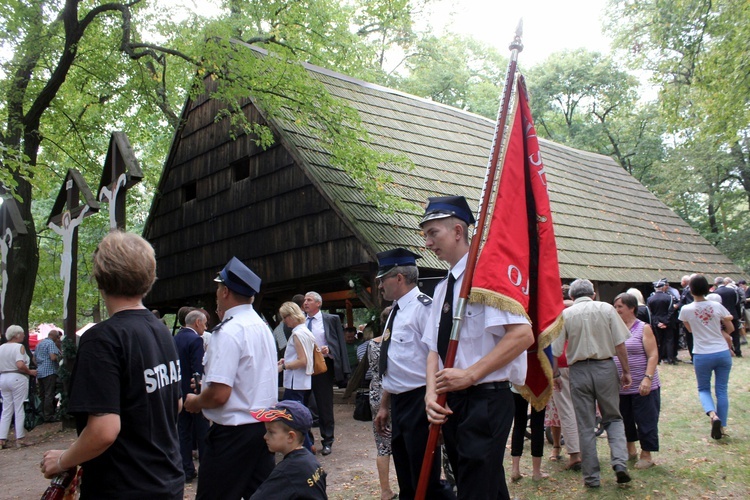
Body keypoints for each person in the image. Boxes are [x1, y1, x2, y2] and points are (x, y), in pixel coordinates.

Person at [40, 231, 183, 498]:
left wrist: (63, 461)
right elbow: (175, 404)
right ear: (149, 277)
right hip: (166, 481)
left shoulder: (102, 339)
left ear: (100, 278)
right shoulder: (161, 331)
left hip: (123, 487)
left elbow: (104, 431)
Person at [420, 196, 534, 499]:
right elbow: (434, 349)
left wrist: (470, 374)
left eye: (434, 233)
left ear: (458, 231)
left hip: (486, 399)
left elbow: (522, 335)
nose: (428, 243)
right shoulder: (443, 286)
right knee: (484, 486)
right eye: (425, 235)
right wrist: (431, 393)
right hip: (453, 401)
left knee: (474, 489)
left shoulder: (488, 275)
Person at [184, 256, 278, 499]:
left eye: (218, 288)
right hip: (262, 428)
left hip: (233, 434)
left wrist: (195, 401)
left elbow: (219, 394)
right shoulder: (261, 326)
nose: (216, 293)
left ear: (225, 291)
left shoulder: (230, 330)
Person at [372, 248, 454, 500]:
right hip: (399, 401)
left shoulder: (423, 309)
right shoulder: (395, 311)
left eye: (382, 280)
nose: (379, 287)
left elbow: (439, 359)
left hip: (420, 399)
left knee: (424, 476)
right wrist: (385, 404)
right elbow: (395, 362)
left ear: (398, 278)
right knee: (406, 472)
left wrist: (439, 404)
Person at [551, 278, 632, 488]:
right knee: (613, 418)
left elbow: (556, 350)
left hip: (578, 370)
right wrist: (626, 371)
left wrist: (555, 375)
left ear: (571, 297)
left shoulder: (565, 314)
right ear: (593, 294)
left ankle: (591, 478)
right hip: (605, 367)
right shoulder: (606, 309)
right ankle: (620, 462)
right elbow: (620, 343)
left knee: (585, 425)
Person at [678, 274, 735, 440]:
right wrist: (720, 331)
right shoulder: (717, 306)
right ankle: (722, 426)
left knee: (703, 388)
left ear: (690, 289)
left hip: (702, 353)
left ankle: (712, 415)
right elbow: (730, 327)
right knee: (722, 390)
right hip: (722, 352)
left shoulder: (686, 309)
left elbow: (689, 329)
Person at [613, 293, 661, 470]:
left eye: (620, 307)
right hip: (621, 386)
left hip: (642, 384)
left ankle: (646, 454)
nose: (617, 310)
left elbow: (653, 355)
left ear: (631, 308)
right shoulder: (614, 328)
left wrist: (647, 378)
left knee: (645, 419)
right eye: (615, 307)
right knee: (625, 419)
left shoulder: (643, 328)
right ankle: (630, 449)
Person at [303, 291, 350, 456]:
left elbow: (339, 344)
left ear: (318, 303)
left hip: (323, 366)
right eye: (304, 300)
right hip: (303, 366)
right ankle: (306, 442)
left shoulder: (330, 320)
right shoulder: (300, 321)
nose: (305, 302)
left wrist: (329, 349)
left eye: (309, 300)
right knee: (303, 403)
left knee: (324, 404)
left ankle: (327, 440)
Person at [249, 400, 327, 499]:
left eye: (271, 432)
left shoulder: (286, 472)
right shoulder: (310, 459)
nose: (265, 436)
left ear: (290, 437)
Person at [361, 306, 396, 500]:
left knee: (382, 442)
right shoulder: (393, 344)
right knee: (399, 439)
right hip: (393, 390)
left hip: (375, 391)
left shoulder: (371, 344)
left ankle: (385, 490)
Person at [174, 309, 209, 482]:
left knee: (183, 432)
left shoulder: (175, 338)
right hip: (194, 392)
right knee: (202, 431)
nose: (206, 327)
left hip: (179, 391)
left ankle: (186, 468)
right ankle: (206, 468)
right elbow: (198, 369)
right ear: (197, 323)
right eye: (205, 323)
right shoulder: (196, 340)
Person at [278, 301, 316, 452]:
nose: (284, 321)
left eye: (285, 317)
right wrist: (286, 360)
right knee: (296, 414)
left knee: (293, 416)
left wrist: (284, 366)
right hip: (302, 381)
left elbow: (302, 360)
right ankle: (307, 445)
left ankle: (306, 446)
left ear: (291, 316)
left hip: (295, 382)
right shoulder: (305, 331)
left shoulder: (298, 334)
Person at [0, 325, 37, 448]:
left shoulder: (1, 348)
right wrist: (30, 372)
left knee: (6, 408)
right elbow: (20, 365)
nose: (24, 335)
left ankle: (2, 438)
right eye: (22, 334)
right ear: (16, 335)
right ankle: (20, 438)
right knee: (19, 407)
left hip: (3, 377)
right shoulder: (19, 347)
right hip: (17, 377)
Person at [509, 390, 548, 482]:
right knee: (538, 424)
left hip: (519, 385)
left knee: (518, 423)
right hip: (539, 384)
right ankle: (536, 472)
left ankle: (515, 470)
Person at [648, 278, 677, 364]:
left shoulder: (650, 299)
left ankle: (658, 359)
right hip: (668, 322)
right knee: (669, 341)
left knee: (657, 341)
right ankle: (670, 358)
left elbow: (651, 313)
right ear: (662, 287)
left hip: (656, 323)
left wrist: (658, 323)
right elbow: (671, 311)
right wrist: (666, 322)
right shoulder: (669, 298)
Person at [35, 329, 62, 422]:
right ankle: (49, 416)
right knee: (49, 394)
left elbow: (34, 358)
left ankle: (41, 414)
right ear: (54, 336)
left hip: (40, 371)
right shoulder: (51, 343)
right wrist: (61, 357)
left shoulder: (39, 343)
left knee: (42, 394)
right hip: (49, 371)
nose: (58, 339)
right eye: (58, 337)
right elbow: (53, 357)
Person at [714, 278, 743, 357]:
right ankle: (738, 351)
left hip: (723, 316)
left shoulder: (715, 293)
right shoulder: (732, 291)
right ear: (724, 282)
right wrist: (738, 315)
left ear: (716, 283)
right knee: (736, 334)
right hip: (733, 314)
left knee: (725, 333)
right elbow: (737, 303)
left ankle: (729, 349)